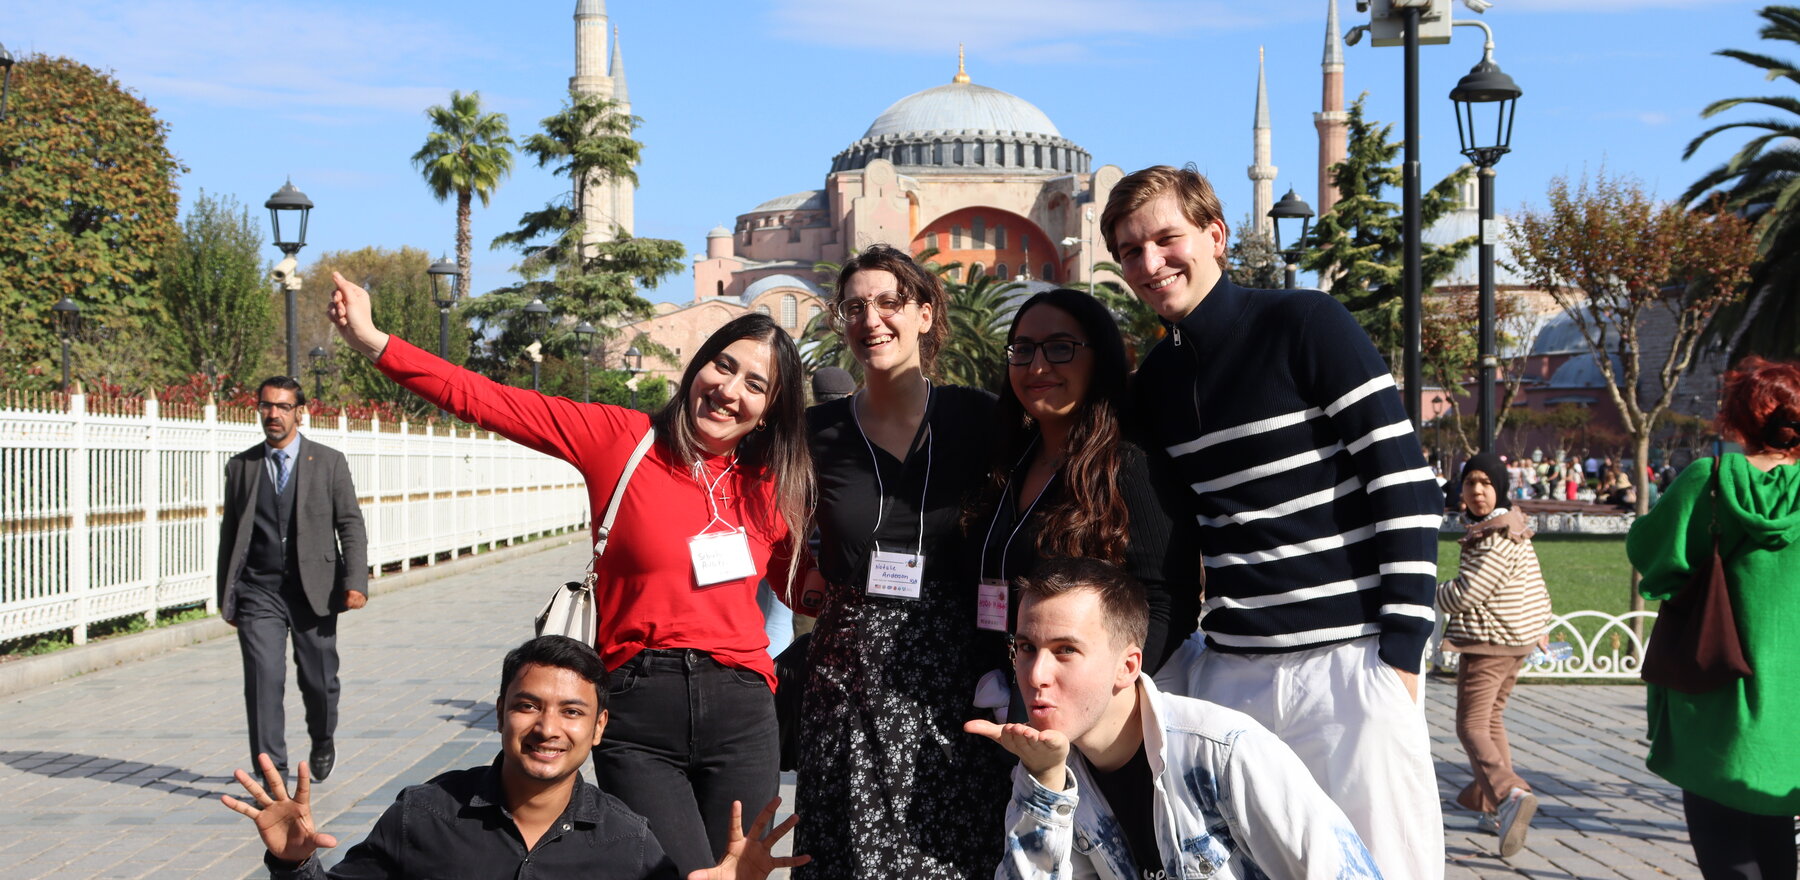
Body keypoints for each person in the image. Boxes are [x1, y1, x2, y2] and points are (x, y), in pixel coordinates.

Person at [327, 274, 812, 876]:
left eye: (755, 384)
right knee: (672, 875)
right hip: (640, 709)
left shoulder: (773, 485)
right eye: (723, 365)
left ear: (770, 411)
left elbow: (809, 589)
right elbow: (487, 398)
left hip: (742, 712)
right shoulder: (624, 441)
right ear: (697, 369)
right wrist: (374, 340)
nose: (729, 389)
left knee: (740, 874)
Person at [1103, 165, 1444, 878]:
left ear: (1216, 236)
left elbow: (1403, 480)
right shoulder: (1158, 384)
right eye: (1131, 251)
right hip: (1234, 671)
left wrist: (1403, 654)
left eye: (1168, 239)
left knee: (1382, 866)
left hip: (1346, 665)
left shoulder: (1304, 324)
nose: (1151, 263)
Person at [220, 635, 807, 880]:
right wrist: (295, 864)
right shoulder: (425, 814)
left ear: (600, 727)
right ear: (501, 711)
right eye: (529, 706)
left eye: (572, 713)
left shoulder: (628, 843)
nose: (548, 728)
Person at [790, 244, 1012, 878]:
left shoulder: (976, 418)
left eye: (889, 303)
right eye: (855, 307)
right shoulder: (817, 431)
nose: (871, 320)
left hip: (955, 666)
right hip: (849, 672)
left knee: (952, 845)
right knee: (845, 849)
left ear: (924, 312)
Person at [965, 558, 1381, 880]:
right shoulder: (1047, 766)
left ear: (1127, 667)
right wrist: (1045, 787)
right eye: (1025, 647)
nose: (1036, 674)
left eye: (1065, 651)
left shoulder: (1226, 753)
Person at [1626, 356, 1800, 880]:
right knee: (1777, 838)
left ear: (1739, 419)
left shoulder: (1712, 479)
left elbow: (1651, 554)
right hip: (1791, 706)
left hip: (1715, 686)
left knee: (1721, 840)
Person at [966, 288, 1198, 675]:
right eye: (1023, 349)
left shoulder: (1128, 464)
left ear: (1100, 359)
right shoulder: (1008, 460)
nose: (1037, 367)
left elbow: (1168, 600)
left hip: (1082, 710)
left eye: (1060, 348)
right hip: (1001, 695)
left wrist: (1108, 699)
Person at [218, 376, 368, 783]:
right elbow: (230, 535)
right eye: (267, 406)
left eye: (283, 406)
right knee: (263, 680)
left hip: (315, 589)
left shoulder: (329, 462)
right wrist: (226, 596)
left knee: (319, 680)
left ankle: (322, 739)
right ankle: (273, 775)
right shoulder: (242, 466)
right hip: (258, 591)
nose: (273, 414)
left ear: (300, 412)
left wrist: (355, 580)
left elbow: (350, 523)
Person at [1436, 453, 1554, 858]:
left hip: (1489, 642)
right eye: (1470, 483)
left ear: (1499, 488)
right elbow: (1537, 583)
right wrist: (1541, 623)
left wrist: (1428, 592)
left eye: (1486, 483)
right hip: (1514, 641)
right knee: (1490, 720)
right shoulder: (1511, 527)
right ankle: (1493, 807)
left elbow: (1467, 593)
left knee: (1470, 727)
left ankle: (1508, 794)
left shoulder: (1496, 535)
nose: (1477, 491)